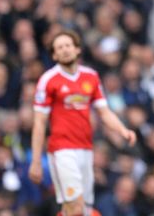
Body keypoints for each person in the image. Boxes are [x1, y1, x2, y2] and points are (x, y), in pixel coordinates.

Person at [28, 29, 137, 216]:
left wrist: (122, 130)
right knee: (76, 207)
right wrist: (36, 161)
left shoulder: (91, 77)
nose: (64, 50)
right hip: (62, 150)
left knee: (82, 210)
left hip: (86, 148)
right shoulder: (48, 80)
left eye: (68, 45)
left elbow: (103, 111)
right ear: (54, 54)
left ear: (77, 49)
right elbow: (39, 123)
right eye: (59, 47)